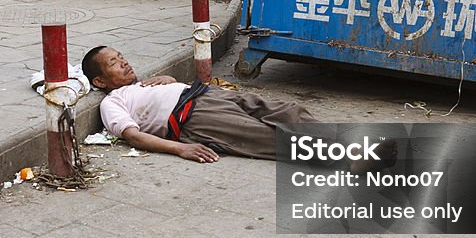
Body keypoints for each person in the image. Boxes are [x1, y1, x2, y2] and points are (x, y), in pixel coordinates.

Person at [82, 46, 320, 163]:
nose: (124, 63)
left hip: (205, 93)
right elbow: (133, 137)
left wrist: (171, 82)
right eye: (114, 62)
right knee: (264, 137)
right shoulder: (112, 102)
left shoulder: (140, 85)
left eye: (121, 56)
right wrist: (180, 149)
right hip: (193, 116)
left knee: (286, 110)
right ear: (100, 80)